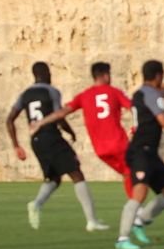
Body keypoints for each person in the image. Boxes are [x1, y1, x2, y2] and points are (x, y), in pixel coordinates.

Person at [90, 59, 164, 249]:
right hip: (140, 151)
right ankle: (122, 238)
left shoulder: (142, 93)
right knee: (139, 194)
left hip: (150, 153)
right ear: (158, 76)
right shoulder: (152, 94)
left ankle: (140, 220)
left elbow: (160, 94)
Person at [6, 61, 103, 232]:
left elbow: (9, 119)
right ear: (47, 74)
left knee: (54, 179)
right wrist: (71, 132)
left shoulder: (24, 94)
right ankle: (91, 221)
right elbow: (59, 115)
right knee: (76, 174)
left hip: (35, 141)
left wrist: (16, 145)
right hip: (51, 137)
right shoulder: (52, 91)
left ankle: (36, 204)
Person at [58, 63, 135, 201]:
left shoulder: (84, 95)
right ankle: (137, 208)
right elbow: (133, 108)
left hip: (100, 149)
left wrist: (42, 122)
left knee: (128, 173)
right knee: (135, 171)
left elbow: (63, 111)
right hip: (119, 144)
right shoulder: (114, 92)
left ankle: (136, 207)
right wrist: (136, 127)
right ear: (106, 75)